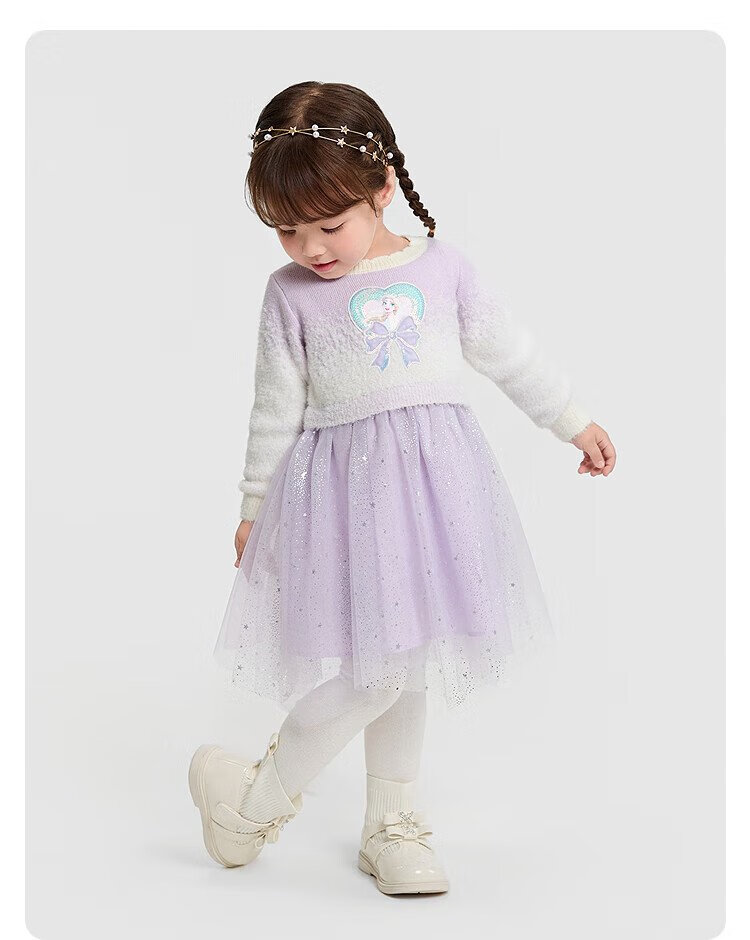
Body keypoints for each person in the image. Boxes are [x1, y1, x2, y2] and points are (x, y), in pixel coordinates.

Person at [188, 80, 617, 897]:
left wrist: (571, 418)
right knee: (379, 668)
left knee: (405, 662)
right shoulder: (289, 297)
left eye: (329, 225)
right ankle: (251, 803)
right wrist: (253, 507)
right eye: (287, 229)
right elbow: (274, 407)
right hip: (344, 503)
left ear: (382, 187)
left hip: (435, 497)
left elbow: (507, 352)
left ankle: (389, 822)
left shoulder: (443, 269)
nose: (311, 248)